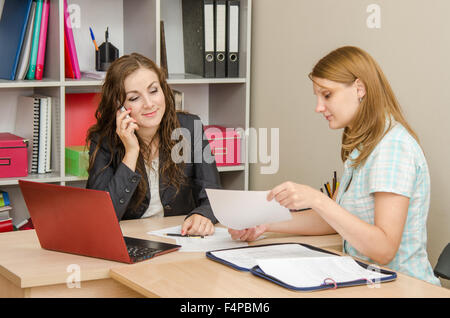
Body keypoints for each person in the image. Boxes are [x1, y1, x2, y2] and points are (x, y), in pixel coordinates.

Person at [229, 46, 440, 285]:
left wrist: (317, 200)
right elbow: (336, 220)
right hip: (367, 280)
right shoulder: (364, 146)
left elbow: (384, 249)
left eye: (327, 95)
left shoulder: (392, 148)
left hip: (402, 286)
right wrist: (265, 224)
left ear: (359, 89)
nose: (319, 107)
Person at [86, 52, 221, 236]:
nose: (149, 104)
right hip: (131, 242)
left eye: (153, 90)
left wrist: (202, 214)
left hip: (180, 239)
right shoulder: (103, 140)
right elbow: (100, 217)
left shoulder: (190, 128)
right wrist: (131, 152)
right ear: (119, 106)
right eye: (134, 98)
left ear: (164, 90)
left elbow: (214, 196)